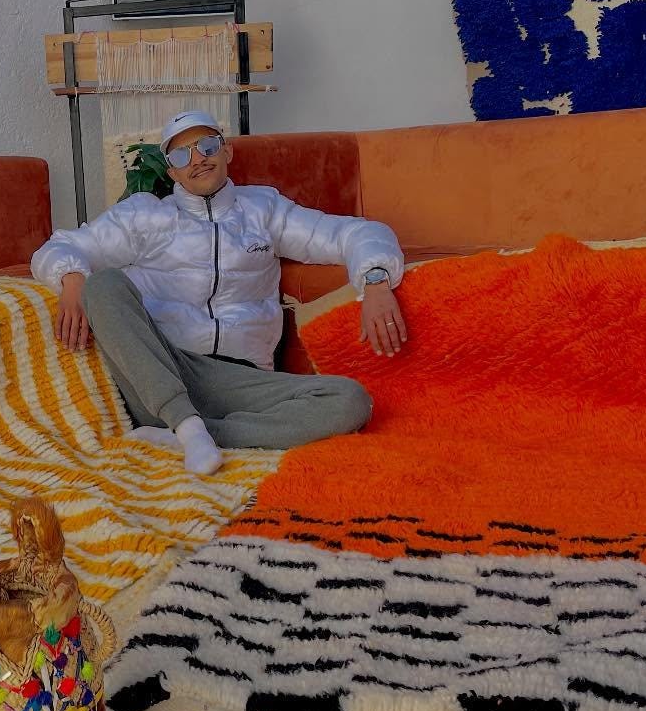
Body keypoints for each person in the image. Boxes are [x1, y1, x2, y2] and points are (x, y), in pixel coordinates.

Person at [31, 110, 409, 476]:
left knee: (350, 400)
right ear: (171, 171)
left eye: (207, 146)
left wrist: (375, 281)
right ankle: (184, 423)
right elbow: (60, 247)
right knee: (104, 284)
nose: (197, 159)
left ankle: (190, 435)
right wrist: (72, 279)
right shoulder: (144, 216)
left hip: (240, 379)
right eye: (182, 155)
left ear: (226, 151)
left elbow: (353, 233)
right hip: (164, 371)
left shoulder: (264, 210)